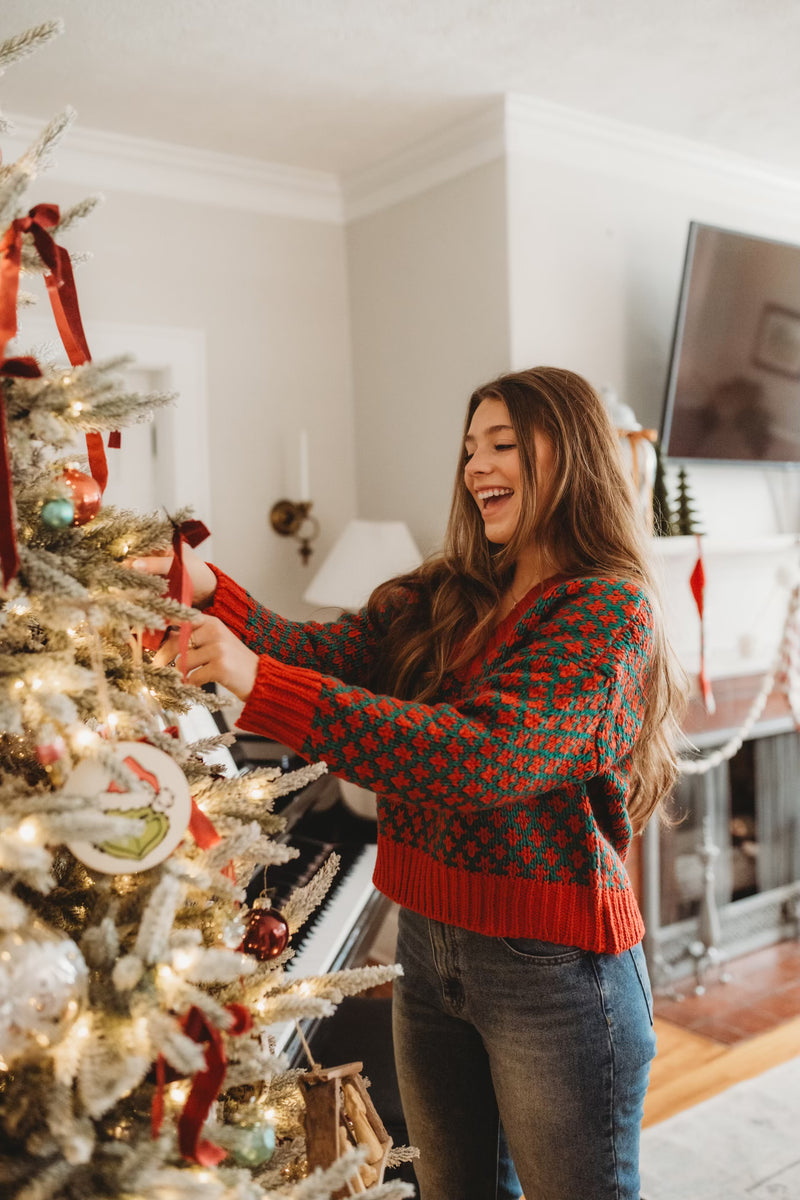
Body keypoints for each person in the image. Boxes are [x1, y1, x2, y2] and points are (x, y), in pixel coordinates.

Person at [136, 366, 685, 1200]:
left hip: (555, 975)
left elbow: (481, 756)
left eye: (503, 444)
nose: (476, 466)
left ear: (570, 455)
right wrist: (215, 592)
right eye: (470, 448)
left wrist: (259, 681)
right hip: (428, 949)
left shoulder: (609, 609)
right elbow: (323, 656)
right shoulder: (448, 592)